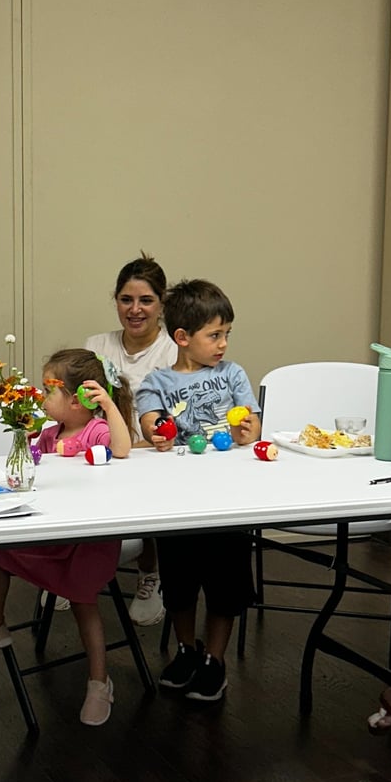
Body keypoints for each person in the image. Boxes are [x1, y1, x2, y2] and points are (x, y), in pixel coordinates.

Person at [0, 348, 133, 726]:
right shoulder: (50, 433)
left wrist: (109, 406)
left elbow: (122, 449)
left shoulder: (95, 430)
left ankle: (100, 681)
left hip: (89, 539)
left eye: (49, 390)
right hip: (54, 531)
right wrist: (26, 439)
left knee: (84, 599)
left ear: (78, 399)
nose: (42, 397)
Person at [137, 279, 261, 702]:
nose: (223, 343)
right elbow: (150, 421)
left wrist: (247, 432)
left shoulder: (233, 375)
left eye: (227, 333)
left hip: (229, 499)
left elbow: (252, 429)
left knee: (226, 583)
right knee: (181, 580)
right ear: (183, 338)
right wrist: (156, 431)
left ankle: (215, 658)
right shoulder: (158, 380)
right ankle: (187, 649)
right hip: (181, 500)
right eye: (214, 335)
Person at [86, 252, 177, 627]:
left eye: (146, 300)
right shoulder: (96, 345)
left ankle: (150, 573)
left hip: (154, 453)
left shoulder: (175, 350)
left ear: (162, 304)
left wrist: (136, 448)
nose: (135, 309)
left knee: (151, 485)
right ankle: (71, 570)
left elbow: (176, 424)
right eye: (126, 299)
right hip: (100, 449)